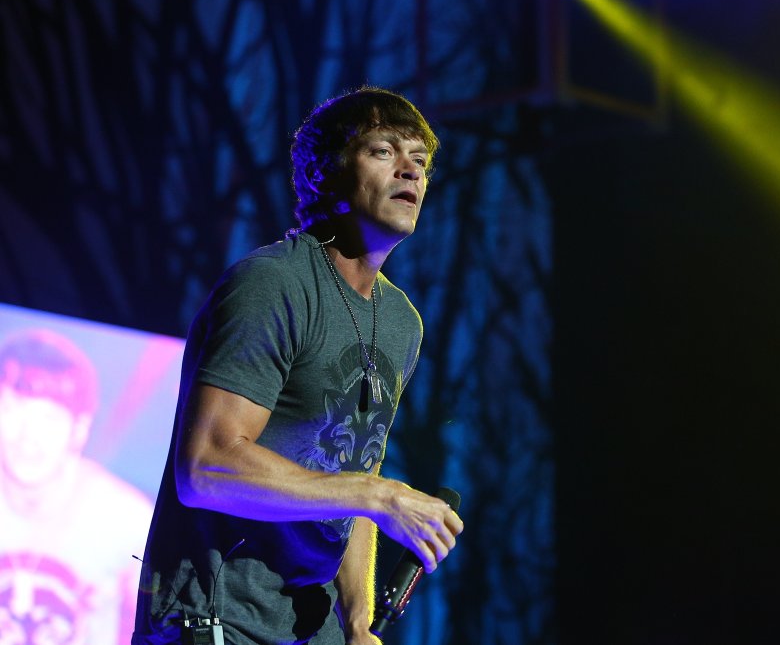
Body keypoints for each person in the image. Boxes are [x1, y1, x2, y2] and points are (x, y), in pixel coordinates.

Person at [132, 86, 464, 645]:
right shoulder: (272, 284)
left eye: (420, 160)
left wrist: (357, 623)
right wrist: (376, 495)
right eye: (383, 151)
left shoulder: (402, 322)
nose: (409, 170)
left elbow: (355, 469)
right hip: (218, 617)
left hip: (310, 626)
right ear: (323, 173)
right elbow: (206, 467)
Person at [0, 328, 153, 645]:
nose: (28, 437)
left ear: (79, 430)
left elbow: (180, 618)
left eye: (48, 419)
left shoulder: (127, 519)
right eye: (13, 411)